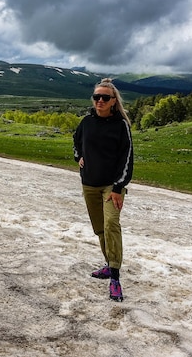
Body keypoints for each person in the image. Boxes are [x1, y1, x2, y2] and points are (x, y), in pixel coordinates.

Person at [73, 78, 134, 302]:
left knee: (111, 224)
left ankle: (115, 278)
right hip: (89, 183)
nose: (99, 100)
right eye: (96, 97)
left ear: (113, 101)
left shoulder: (121, 126)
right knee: (100, 229)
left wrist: (119, 187)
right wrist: (78, 156)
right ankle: (109, 265)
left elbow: (127, 158)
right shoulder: (86, 122)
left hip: (111, 186)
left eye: (104, 97)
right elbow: (76, 141)